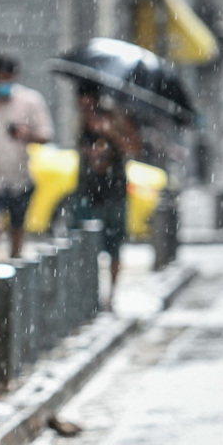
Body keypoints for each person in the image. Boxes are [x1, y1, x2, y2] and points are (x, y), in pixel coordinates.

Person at [0, 54, 54, 266]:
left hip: (20, 177)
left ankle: (15, 269)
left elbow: (45, 135)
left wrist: (26, 134)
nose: (3, 83)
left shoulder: (30, 101)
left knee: (17, 228)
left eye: (7, 78)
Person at [74, 81, 141, 305]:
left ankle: (110, 295)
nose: (85, 106)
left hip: (113, 191)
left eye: (88, 101)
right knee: (85, 245)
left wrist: (110, 134)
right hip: (87, 189)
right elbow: (83, 153)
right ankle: (87, 294)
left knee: (113, 245)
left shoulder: (116, 118)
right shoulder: (82, 122)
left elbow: (133, 147)